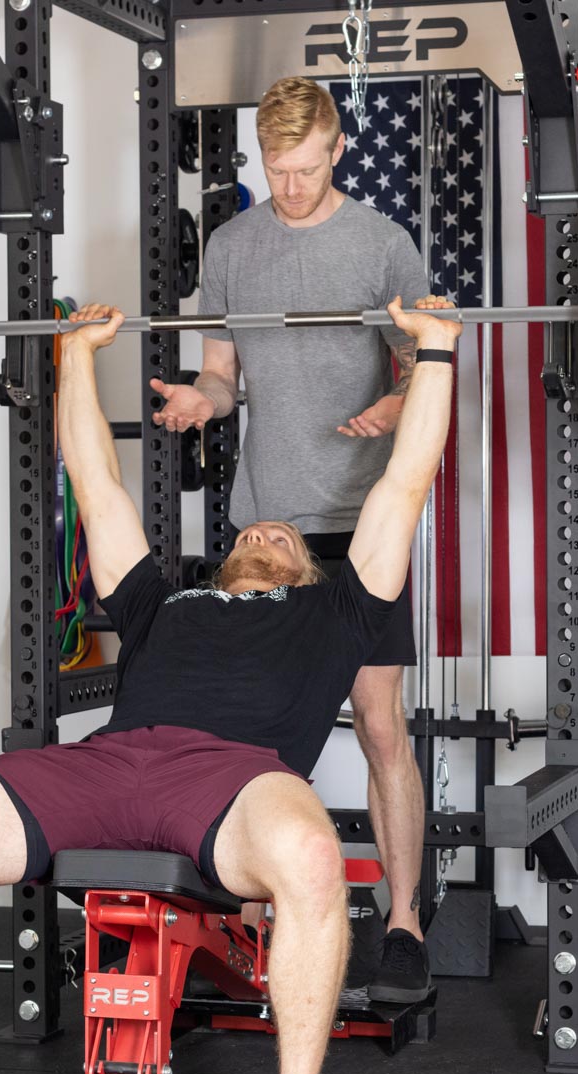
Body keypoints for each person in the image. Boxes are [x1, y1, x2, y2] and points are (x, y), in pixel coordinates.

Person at [0, 295, 463, 1074]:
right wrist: (76, 355)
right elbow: (94, 477)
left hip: (235, 780)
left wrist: (435, 352)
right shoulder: (166, 600)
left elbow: (404, 481)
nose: (266, 532)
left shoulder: (339, 610)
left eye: (284, 537)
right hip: (108, 764)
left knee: (315, 858)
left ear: (309, 569)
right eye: (252, 531)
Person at [151, 76, 436, 1004]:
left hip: (360, 525)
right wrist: (203, 400)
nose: (294, 186)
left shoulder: (384, 244)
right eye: (278, 171)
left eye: (308, 169)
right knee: (254, 735)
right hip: (264, 526)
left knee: (381, 725)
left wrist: (391, 403)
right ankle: (254, 925)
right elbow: (223, 375)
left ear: (338, 149)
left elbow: (423, 367)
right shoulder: (234, 247)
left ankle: (401, 923)